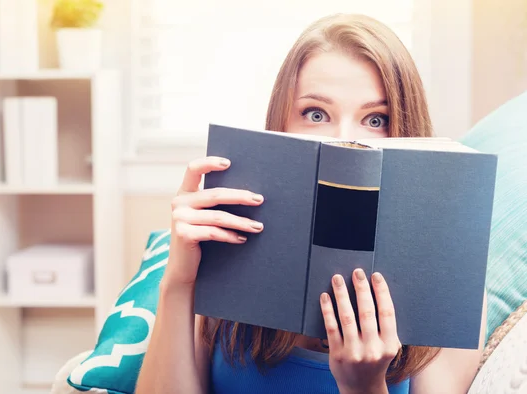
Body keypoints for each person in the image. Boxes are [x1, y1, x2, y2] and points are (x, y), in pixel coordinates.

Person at [136, 13, 487, 394]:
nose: (345, 140)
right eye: (316, 114)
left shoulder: (450, 281)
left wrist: (364, 386)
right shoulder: (225, 246)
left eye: (376, 119)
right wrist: (179, 283)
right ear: (282, 124)